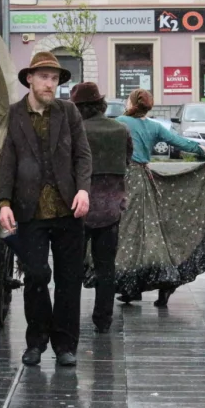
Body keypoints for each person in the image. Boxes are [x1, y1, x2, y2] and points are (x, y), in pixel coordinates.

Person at [0, 52, 91, 367]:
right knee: (36, 275)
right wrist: (4, 202)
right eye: (44, 77)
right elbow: (7, 160)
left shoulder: (69, 112)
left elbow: (82, 154)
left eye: (54, 79)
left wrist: (83, 189)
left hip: (68, 209)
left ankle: (65, 344)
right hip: (29, 209)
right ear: (30, 79)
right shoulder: (14, 114)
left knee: (69, 279)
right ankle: (35, 341)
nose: (50, 84)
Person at [114, 89, 205, 307]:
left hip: (127, 180)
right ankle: (156, 283)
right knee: (152, 231)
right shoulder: (154, 126)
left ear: (131, 103)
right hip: (145, 178)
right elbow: (179, 142)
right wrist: (204, 151)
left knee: (129, 234)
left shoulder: (120, 122)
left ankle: (135, 284)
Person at [69, 82, 133, 334]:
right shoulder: (120, 129)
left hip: (78, 206)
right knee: (106, 267)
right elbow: (127, 160)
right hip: (111, 207)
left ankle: (69, 316)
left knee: (71, 266)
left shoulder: (76, 131)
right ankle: (103, 318)